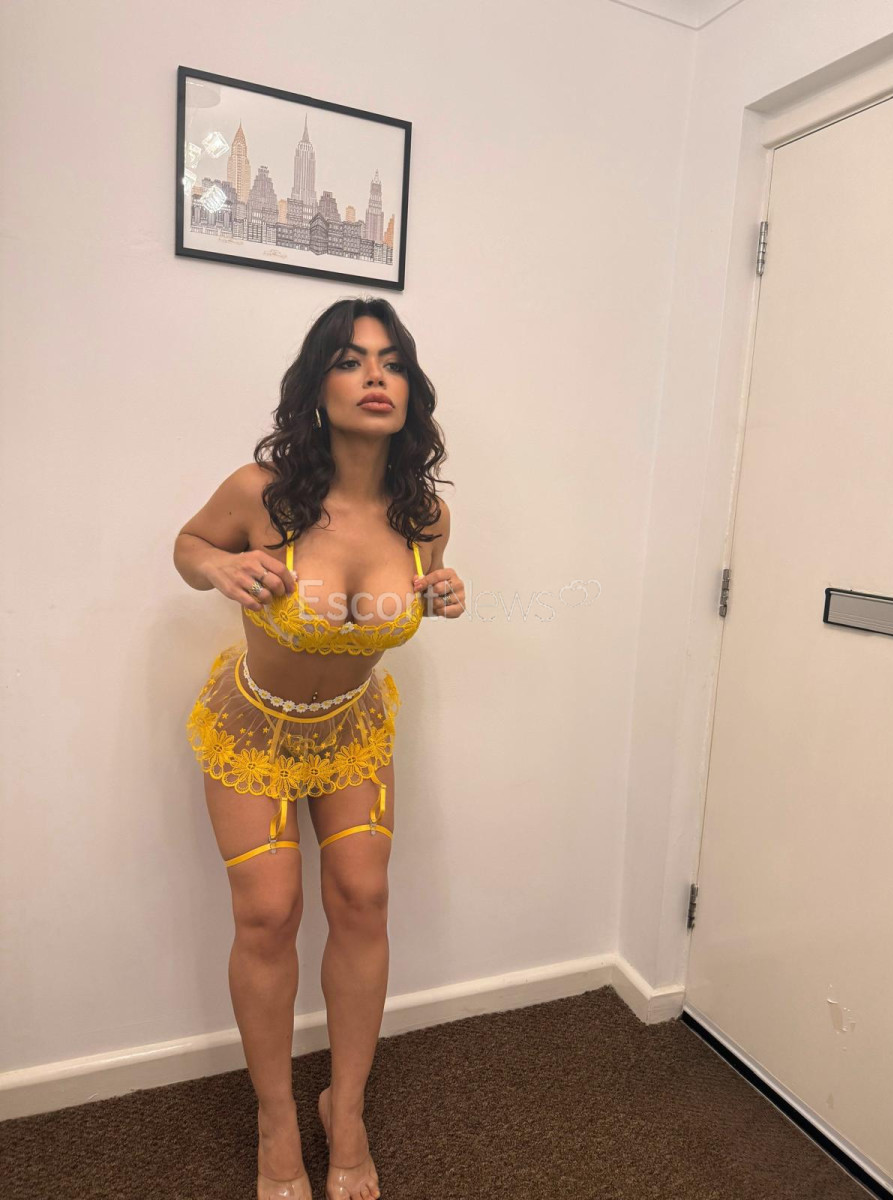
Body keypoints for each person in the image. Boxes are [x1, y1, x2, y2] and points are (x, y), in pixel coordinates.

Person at [173, 297, 465, 1200]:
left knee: (364, 901)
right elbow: (188, 545)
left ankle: (347, 1109)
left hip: (350, 731)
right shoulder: (260, 492)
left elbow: (402, 602)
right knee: (268, 915)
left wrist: (438, 593)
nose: (376, 376)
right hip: (254, 727)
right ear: (317, 385)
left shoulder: (424, 516)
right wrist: (218, 565)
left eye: (392, 362)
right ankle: (274, 1120)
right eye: (351, 359)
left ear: (411, 390)